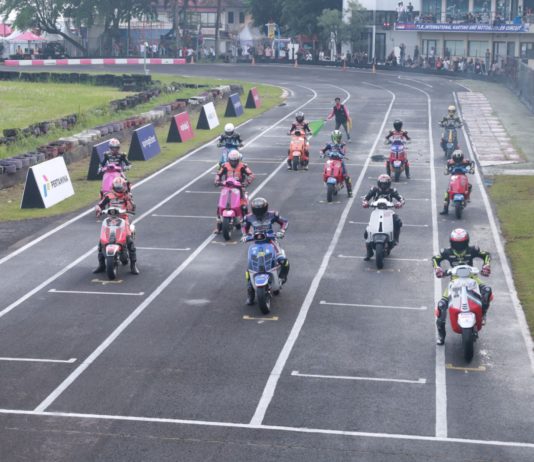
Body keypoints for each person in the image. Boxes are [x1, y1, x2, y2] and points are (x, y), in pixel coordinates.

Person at [432, 228, 492, 345]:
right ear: (452, 243)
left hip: (472, 278)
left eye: (461, 243)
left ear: (466, 242)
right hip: (455, 281)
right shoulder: (446, 252)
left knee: (487, 290)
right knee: (441, 306)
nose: (459, 246)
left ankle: (483, 313)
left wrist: (486, 266)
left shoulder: (472, 250)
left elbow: (486, 255)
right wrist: (438, 268)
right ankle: (441, 336)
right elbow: (435, 259)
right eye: (456, 243)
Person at [241, 197, 289, 305]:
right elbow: (244, 227)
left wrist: (282, 231)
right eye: (256, 210)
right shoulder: (248, 217)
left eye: (260, 210)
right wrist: (244, 235)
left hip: (271, 241)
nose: (259, 213)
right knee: (250, 267)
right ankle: (250, 293)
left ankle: (282, 278)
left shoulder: (273, 215)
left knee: (283, 260)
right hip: (256, 244)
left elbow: (284, 222)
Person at [93, 177, 139, 275]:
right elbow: (100, 204)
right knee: (102, 241)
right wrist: (98, 209)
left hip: (124, 218)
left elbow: (132, 208)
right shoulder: (108, 195)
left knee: (129, 240)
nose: (118, 189)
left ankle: (133, 265)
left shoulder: (127, 195)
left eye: (120, 187)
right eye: (117, 186)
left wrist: (129, 200)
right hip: (111, 219)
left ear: (124, 186)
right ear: (113, 186)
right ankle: (101, 265)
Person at [362, 174, 404, 260]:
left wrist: (399, 203)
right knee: (367, 231)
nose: (383, 185)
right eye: (382, 183)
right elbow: (366, 198)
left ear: (389, 184)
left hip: (388, 211)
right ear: (379, 183)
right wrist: (365, 203)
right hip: (376, 211)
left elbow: (401, 198)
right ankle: (369, 251)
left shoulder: (392, 190)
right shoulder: (374, 189)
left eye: (385, 184)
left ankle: (395, 238)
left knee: (398, 222)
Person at [214, 150, 255, 233]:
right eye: (232, 160)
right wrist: (217, 181)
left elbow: (251, 175)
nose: (233, 162)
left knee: (244, 207)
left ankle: (248, 227)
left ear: (238, 159)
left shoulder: (243, 166)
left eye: (235, 160)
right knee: (220, 206)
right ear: (229, 159)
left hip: (239, 188)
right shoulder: (224, 165)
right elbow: (218, 174)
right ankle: (218, 227)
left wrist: (247, 182)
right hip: (226, 187)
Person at [439, 149, 474, 215]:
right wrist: (446, 171)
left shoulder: (466, 161)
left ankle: (467, 197)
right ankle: (445, 209)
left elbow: (472, 163)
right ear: (453, 158)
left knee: (469, 186)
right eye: (456, 159)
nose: (458, 161)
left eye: (459, 159)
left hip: (463, 177)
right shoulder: (450, 162)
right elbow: (446, 166)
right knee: (447, 193)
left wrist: (472, 169)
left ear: (462, 157)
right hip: (454, 178)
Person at [320, 130, 353, 197]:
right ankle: (326, 180)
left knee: (346, 176)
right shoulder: (329, 144)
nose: (336, 139)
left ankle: (349, 192)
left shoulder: (342, 145)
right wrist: (322, 154)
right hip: (331, 160)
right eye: (335, 137)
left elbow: (343, 153)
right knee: (326, 170)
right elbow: (323, 150)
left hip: (339, 161)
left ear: (340, 137)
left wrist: (339, 149)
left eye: (338, 137)